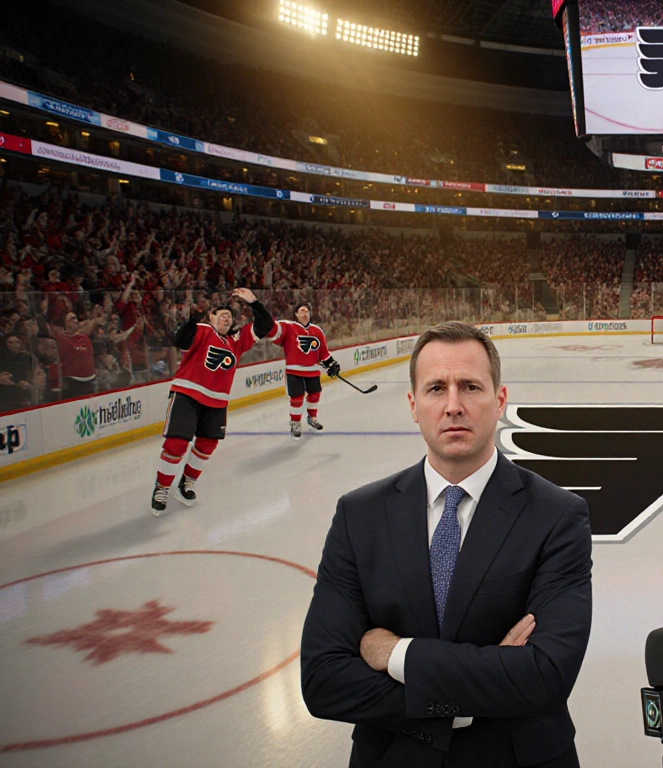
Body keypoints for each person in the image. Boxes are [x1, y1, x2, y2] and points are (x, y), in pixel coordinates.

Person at [301, 321, 592, 768]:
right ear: (414, 405)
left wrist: (395, 652)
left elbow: (545, 677)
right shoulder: (359, 516)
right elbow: (324, 680)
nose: (453, 405)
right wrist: (472, 692)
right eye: (437, 388)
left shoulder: (556, 515)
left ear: (499, 401)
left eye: (470, 387)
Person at [150, 288, 274, 515]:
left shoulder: (237, 341)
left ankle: (187, 482)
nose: (226, 316)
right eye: (221, 314)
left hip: (217, 401)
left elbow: (266, 325)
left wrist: (253, 302)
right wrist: (192, 319)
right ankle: (162, 487)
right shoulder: (202, 330)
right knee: (176, 445)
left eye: (229, 315)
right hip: (187, 394)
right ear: (211, 318)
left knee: (207, 445)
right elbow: (180, 341)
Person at [269, 301, 339, 439]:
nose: (305, 313)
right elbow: (275, 335)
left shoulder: (317, 331)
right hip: (294, 371)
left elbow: (323, 353)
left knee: (315, 395)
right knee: (296, 398)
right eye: (302, 311)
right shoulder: (289, 327)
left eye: (307, 311)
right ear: (296, 314)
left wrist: (332, 365)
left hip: (312, 370)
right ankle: (295, 423)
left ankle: (312, 418)